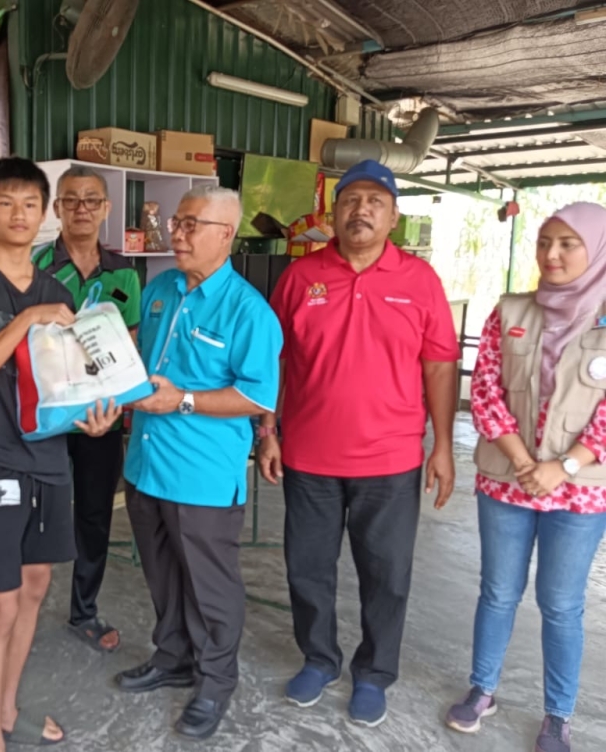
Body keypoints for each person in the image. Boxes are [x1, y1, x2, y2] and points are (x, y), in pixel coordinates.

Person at [0, 157, 120, 752]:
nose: (19, 214)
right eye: (5, 203)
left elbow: (66, 384)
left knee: (35, 587)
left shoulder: (57, 290)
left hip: (50, 460)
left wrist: (95, 417)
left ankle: (8, 706)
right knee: (0, 604)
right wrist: (28, 319)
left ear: (44, 215)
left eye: (30, 205)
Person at [264, 159, 460, 728]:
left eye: (376, 200)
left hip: (391, 461)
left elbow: (441, 366)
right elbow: (272, 361)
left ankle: (374, 673)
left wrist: (442, 445)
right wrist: (268, 430)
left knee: (387, 574)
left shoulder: (419, 282)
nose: (362, 209)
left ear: (394, 216)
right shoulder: (300, 278)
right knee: (307, 568)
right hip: (309, 456)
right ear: (333, 212)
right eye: (352, 199)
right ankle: (319, 659)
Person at [115, 185, 282, 740]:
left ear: (226, 236)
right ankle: (172, 658)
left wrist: (183, 399)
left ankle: (215, 681)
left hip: (203, 475)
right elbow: (144, 359)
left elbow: (259, 398)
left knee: (210, 586)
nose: (177, 233)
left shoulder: (248, 312)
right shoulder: (160, 288)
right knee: (161, 574)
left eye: (192, 225)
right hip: (146, 464)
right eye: (177, 223)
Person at [444, 202, 606, 752]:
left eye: (567, 244)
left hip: (579, 489)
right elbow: (486, 390)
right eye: (545, 243)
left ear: (596, 249)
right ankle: (482, 689)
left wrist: (561, 468)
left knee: (561, 604)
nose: (552, 255)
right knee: (497, 591)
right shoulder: (510, 308)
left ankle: (558, 715)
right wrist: (524, 465)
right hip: (506, 480)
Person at [32, 165, 141, 652]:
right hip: (47, 420)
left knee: (94, 516)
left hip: (100, 419)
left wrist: (114, 411)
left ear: (106, 209)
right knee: (38, 514)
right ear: (56, 210)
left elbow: (130, 346)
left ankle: (84, 610)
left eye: (92, 200)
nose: (82, 208)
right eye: (71, 200)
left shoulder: (125, 273)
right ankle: (19, 608)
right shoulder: (32, 266)